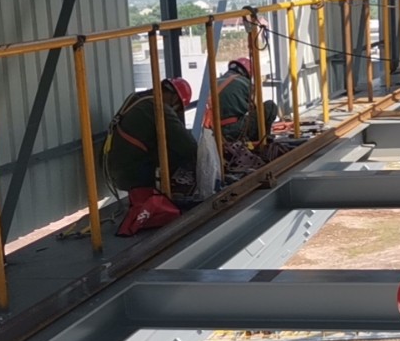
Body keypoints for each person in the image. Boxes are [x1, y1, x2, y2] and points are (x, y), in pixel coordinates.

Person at [103, 76, 199, 236]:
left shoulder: (137, 98)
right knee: (179, 152)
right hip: (130, 174)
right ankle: (173, 192)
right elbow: (188, 146)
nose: (174, 110)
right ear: (174, 98)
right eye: (177, 107)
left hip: (115, 169)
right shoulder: (158, 107)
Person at [212, 57, 277, 143]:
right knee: (270, 106)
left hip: (216, 132)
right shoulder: (246, 83)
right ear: (248, 72)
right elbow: (255, 108)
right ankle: (262, 141)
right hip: (236, 130)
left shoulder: (215, 82)